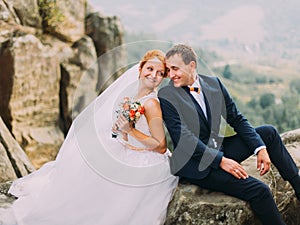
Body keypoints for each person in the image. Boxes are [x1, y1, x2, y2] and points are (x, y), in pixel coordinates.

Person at [0, 49, 178, 225]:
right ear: (140, 69)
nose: (153, 75)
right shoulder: (136, 97)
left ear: (163, 78)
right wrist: (122, 129)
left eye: (160, 73)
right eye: (150, 69)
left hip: (148, 160)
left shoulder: (152, 103)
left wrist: (130, 131)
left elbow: (161, 146)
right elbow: (128, 129)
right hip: (131, 147)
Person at [158, 44, 300, 225]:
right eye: (168, 70)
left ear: (191, 65)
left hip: (219, 147)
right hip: (195, 164)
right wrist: (221, 161)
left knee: (269, 133)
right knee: (260, 190)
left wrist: (260, 148)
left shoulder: (214, 84)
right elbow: (184, 139)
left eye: (175, 69)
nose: (171, 75)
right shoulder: (167, 95)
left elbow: (237, 119)